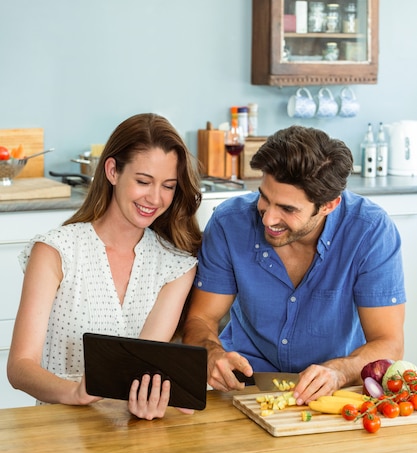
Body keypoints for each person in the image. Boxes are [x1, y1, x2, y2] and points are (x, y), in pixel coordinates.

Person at [182, 125, 406, 407]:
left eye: (288, 209)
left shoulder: (370, 231)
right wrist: (211, 354)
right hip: (243, 385)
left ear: (329, 205)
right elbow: (200, 320)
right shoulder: (230, 223)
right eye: (264, 197)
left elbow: (389, 342)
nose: (268, 218)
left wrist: (340, 370)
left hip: (336, 391)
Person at [7, 113, 202, 420]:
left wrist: (150, 396)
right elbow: (19, 368)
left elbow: (141, 369)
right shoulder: (56, 252)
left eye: (168, 186)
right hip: (55, 434)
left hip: (131, 432)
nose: (155, 198)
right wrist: (74, 393)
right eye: (143, 181)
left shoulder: (175, 267)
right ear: (112, 171)